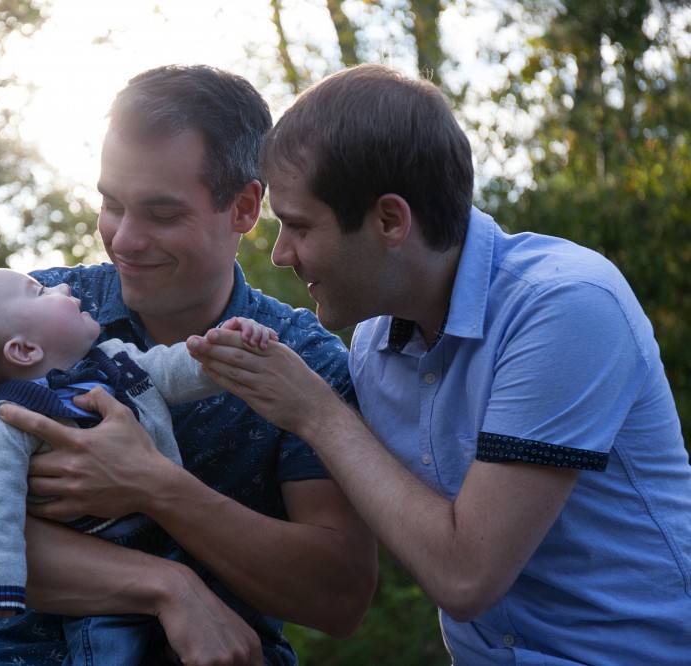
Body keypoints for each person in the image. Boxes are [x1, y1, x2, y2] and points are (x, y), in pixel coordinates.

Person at [187, 62, 691, 664]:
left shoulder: (566, 306)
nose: (281, 252)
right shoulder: (374, 347)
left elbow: (465, 578)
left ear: (390, 221)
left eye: (298, 226)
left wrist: (315, 412)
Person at [0, 64, 377, 666]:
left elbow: (339, 595)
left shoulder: (299, 353)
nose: (124, 240)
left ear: (244, 208)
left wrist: (157, 488)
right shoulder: (35, 312)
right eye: (111, 204)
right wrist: (171, 588)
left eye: (161, 215)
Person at [0, 267, 277, 665]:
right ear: (23, 350)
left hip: (177, 542)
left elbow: (176, 368)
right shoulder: (4, 422)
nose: (63, 287)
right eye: (39, 293)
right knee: (108, 649)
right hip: (102, 574)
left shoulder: (116, 359)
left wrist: (227, 348)